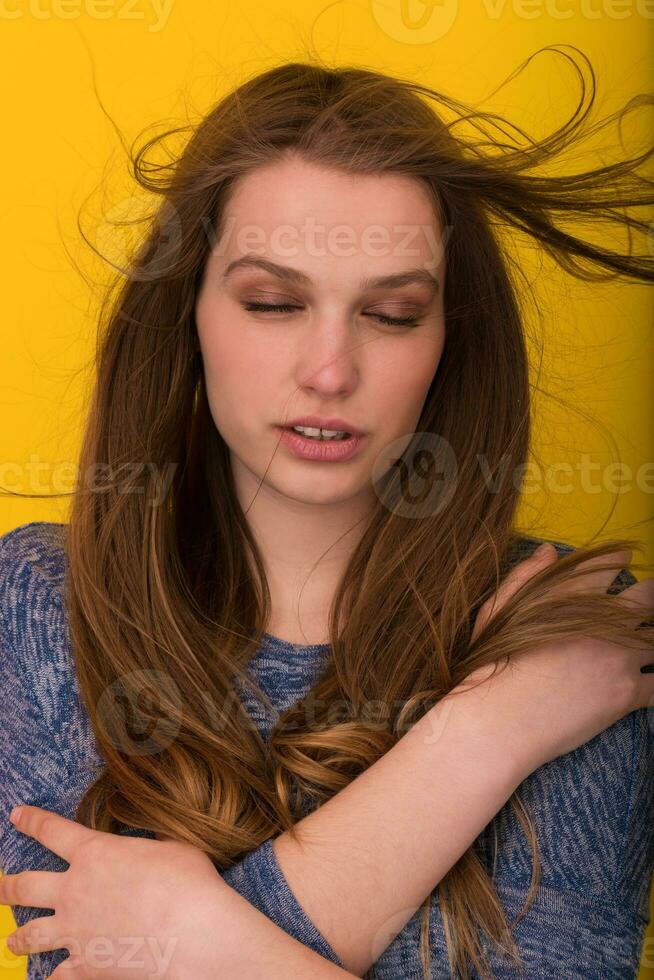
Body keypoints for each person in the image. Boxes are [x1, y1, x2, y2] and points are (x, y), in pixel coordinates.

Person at [1, 49, 653, 980]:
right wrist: (489, 732)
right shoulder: (42, 602)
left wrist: (190, 937)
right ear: (186, 311)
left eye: (391, 315)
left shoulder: (570, 633)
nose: (331, 371)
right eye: (273, 302)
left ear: (449, 340)